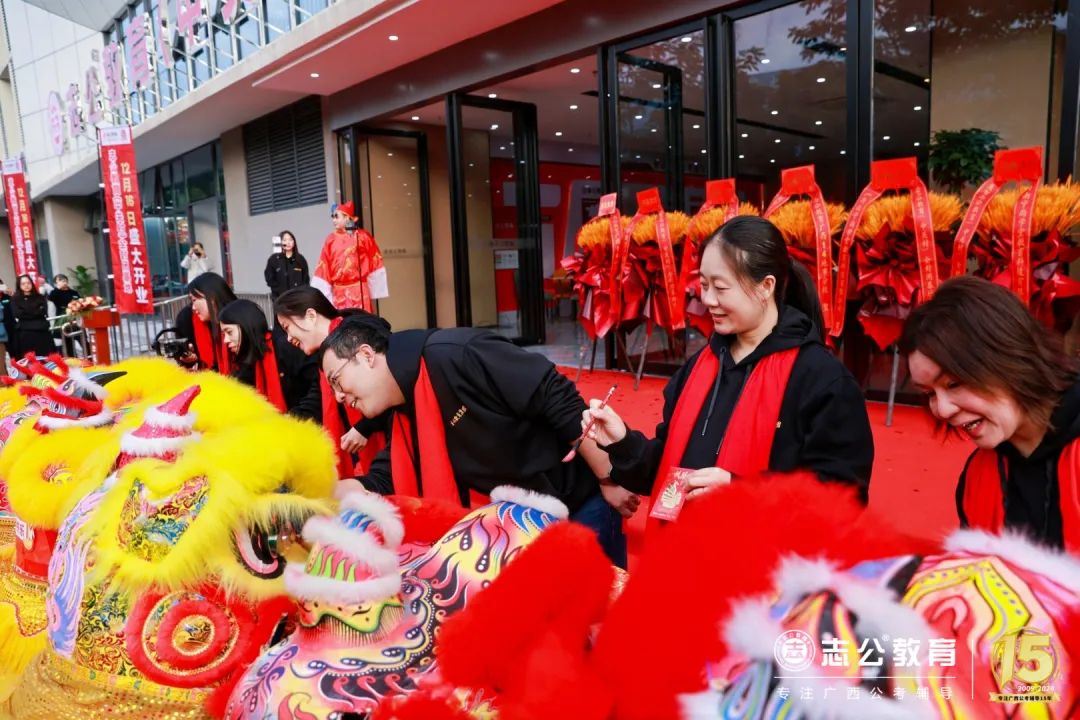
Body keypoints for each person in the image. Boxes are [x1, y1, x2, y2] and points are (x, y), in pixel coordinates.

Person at [583, 215, 874, 534]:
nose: (708, 300)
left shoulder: (821, 380)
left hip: (766, 561)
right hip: (682, 552)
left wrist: (743, 492)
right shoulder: (700, 366)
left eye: (721, 288)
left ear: (766, 286)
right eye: (704, 285)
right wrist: (622, 442)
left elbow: (842, 501)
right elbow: (667, 471)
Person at [320, 316, 642, 568]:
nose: (338, 396)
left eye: (337, 380)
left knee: (602, 612)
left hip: (577, 498)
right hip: (522, 526)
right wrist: (327, 493)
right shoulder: (403, 407)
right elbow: (388, 475)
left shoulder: (457, 353)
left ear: (366, 355)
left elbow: (555, 397)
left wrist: (608, 477)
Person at [901, 276, 1080, 552]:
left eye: (954, 383)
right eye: (929, 394)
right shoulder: (979, 476)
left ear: (1009, 357)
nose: (942, 410)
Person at [274, 286, 387, 478]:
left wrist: (365, 427)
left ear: (311, 316)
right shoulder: (326, 353)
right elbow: (317, 398)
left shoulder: (358, 333)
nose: (288, 338)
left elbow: (387, 386)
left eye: (287, 327)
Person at [219, 298, 320, 419]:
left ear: (246, 326)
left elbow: (318, 387)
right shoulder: (244, 362)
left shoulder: (286, 346)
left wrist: (294, 416)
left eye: (229, 332)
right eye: (224, 334)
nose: (226, 340)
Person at [312, 201, 386, 312]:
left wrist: (375, 285)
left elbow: (374, 258)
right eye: (333, 217)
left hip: (359, 290)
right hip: (339, 292)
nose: (333, 220)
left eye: (336, 217)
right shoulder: (330, 239)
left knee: (362, 320)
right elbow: (324, 264)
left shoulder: (362, 236)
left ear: (347, 217)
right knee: (343, 320)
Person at [187, 272, 237, 372]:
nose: (193, 308)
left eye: (194, 300)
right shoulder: (205, 324)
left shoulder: (239, 322)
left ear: (212, 298)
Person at [11, 274, 56, 357]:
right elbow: (17, 314)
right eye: (23, 284)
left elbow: (43, 311)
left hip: (42, 331)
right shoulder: (15, 299)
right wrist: (35, 311)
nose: (26, 285)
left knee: (47, 358)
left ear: (32, 283)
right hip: (25, 333)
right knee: (30, 359)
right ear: (19, 285)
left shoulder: (40, 297)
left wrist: (26, 311)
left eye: (28, 283)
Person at [264, 230, 310, 299]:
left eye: (290, 240)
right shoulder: (274, 259)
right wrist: (279, 290)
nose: (288, 242)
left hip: (298, 298)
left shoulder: (300, 259)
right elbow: (269, 278)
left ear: (294, 242)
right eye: (284, 240)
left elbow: (306, 280)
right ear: (280, 242)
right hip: (280, 298)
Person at [47, 273, 82, 357]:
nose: (64, 282)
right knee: (64, 341)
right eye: (60, 281)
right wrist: (58, 288)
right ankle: (68, 358)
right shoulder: (55, 293)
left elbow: (80, 301)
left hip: (74, 318)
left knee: (80, 339)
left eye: (65, 280)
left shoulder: (73, 292)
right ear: (56, 283)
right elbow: (50, 298)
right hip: (62, 318)